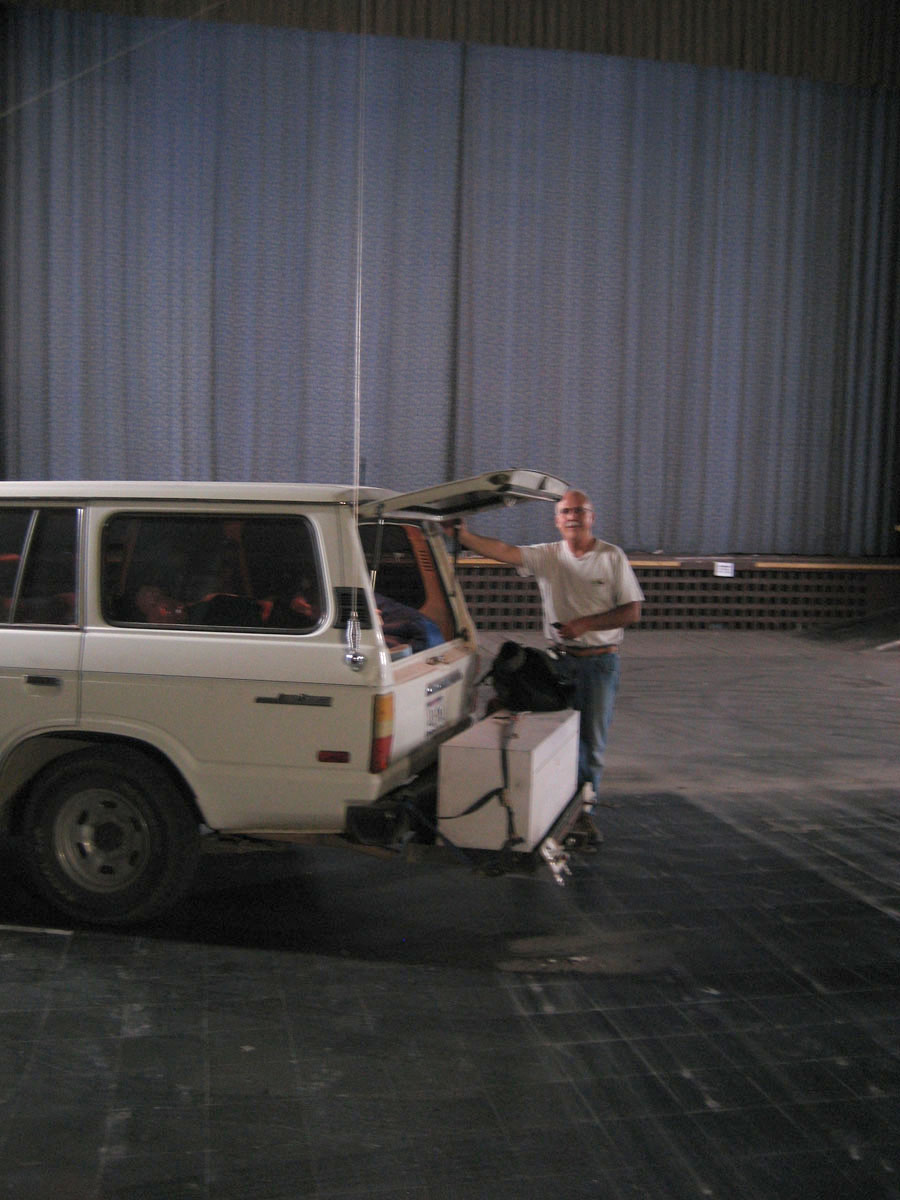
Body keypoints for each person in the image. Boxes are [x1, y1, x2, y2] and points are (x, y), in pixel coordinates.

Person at [447, 489, 643, 811]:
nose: (572, 517)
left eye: (579, 511)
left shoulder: (611, 556)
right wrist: (464, 536)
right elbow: (505, 551)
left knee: (591, 743)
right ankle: (550, 801)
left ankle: (584, 811)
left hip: (598, 664)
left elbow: (632, 612)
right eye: (566, 512)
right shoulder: (548, 555)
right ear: (557, 521)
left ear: (591, 517)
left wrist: (586, 624)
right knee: (548, 735)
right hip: (558, 661)